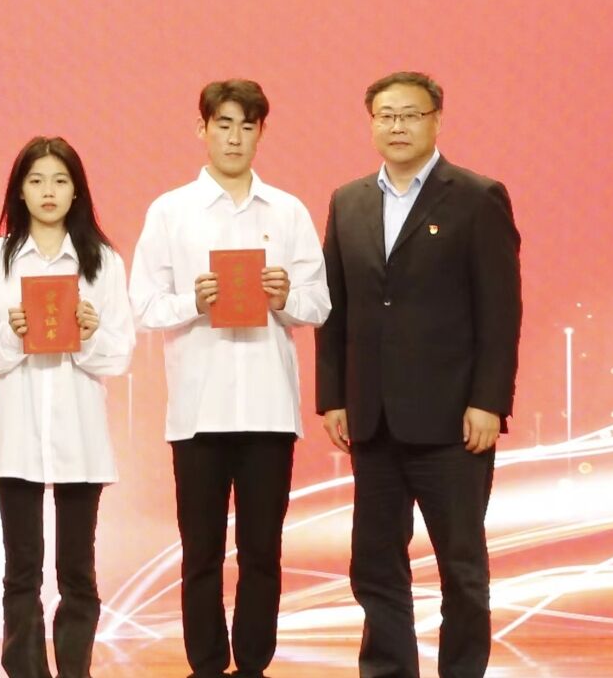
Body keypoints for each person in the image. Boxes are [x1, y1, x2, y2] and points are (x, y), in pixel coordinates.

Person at [315, 71, 522, 678]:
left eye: (410, 114)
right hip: (372, 420)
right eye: (386, 115)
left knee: (461, 568)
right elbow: (335, 307)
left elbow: (501, 310)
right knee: (375, 565)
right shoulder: (348, 201)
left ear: (436, 120)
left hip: (453, 422)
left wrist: (489, 400)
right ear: (371, 123)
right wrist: (334, 395)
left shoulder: (477, 197)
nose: (397, 126)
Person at [129, 79, 329, 678]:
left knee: (263, 551)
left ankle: (254, 664)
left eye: (247, 126)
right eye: (223, 124)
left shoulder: (288, 211)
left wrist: (286, 297)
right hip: (198, 413)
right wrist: (193, 301)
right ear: (202, 129)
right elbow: (144, 306)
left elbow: (320, 304)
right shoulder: (170, 211)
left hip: (269, 410)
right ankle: (207, 664)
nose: (235, 138)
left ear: (261, 132)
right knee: (201, 553)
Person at [0, 136, 133, 678]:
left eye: (60, 180)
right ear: (19, 190)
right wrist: (13, 334)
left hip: (81, 437)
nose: (48, 191)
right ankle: (26, 669)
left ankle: (75, 669)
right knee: (22, 571)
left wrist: (88, 332)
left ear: (77, 190)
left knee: (78, 571)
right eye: (36, 180)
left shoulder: (103, 261)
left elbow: (119, 355)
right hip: (17, 435)